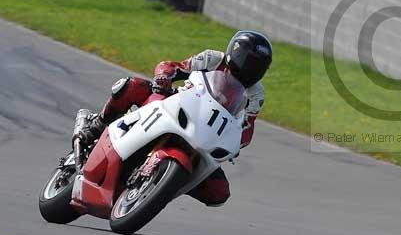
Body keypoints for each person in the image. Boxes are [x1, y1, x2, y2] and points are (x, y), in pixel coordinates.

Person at [74, 31, 273, 207]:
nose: (250, 68)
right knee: (132, 85)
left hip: (208, 132)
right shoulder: (213, 59)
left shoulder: (256, 94)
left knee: (219, 192)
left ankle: (166, 183)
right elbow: (173, 66)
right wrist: (164, 77)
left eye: (258, 66)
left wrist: (236, 144)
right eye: (248, 60)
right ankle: (97, 125)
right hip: (179, 103)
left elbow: (247, 127)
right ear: (235, 53)